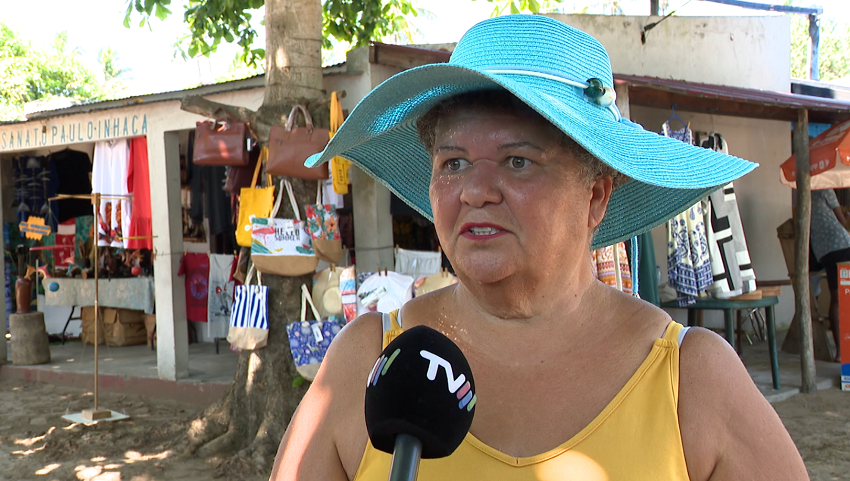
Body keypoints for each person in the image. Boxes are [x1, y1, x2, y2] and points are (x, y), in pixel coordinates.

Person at [270, 15, 808, 481]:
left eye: (518, 161)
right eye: (453, 163)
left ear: (595, 194)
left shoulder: (690, 379)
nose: (476, 191)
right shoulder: (368, 363)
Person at [810, 188, 850, 361]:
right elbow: (842, 221)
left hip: (822, 251)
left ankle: (841, 353)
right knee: (843, 297)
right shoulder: (826, 190)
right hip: (841, 244)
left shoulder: (805, 193)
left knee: (837, 297)